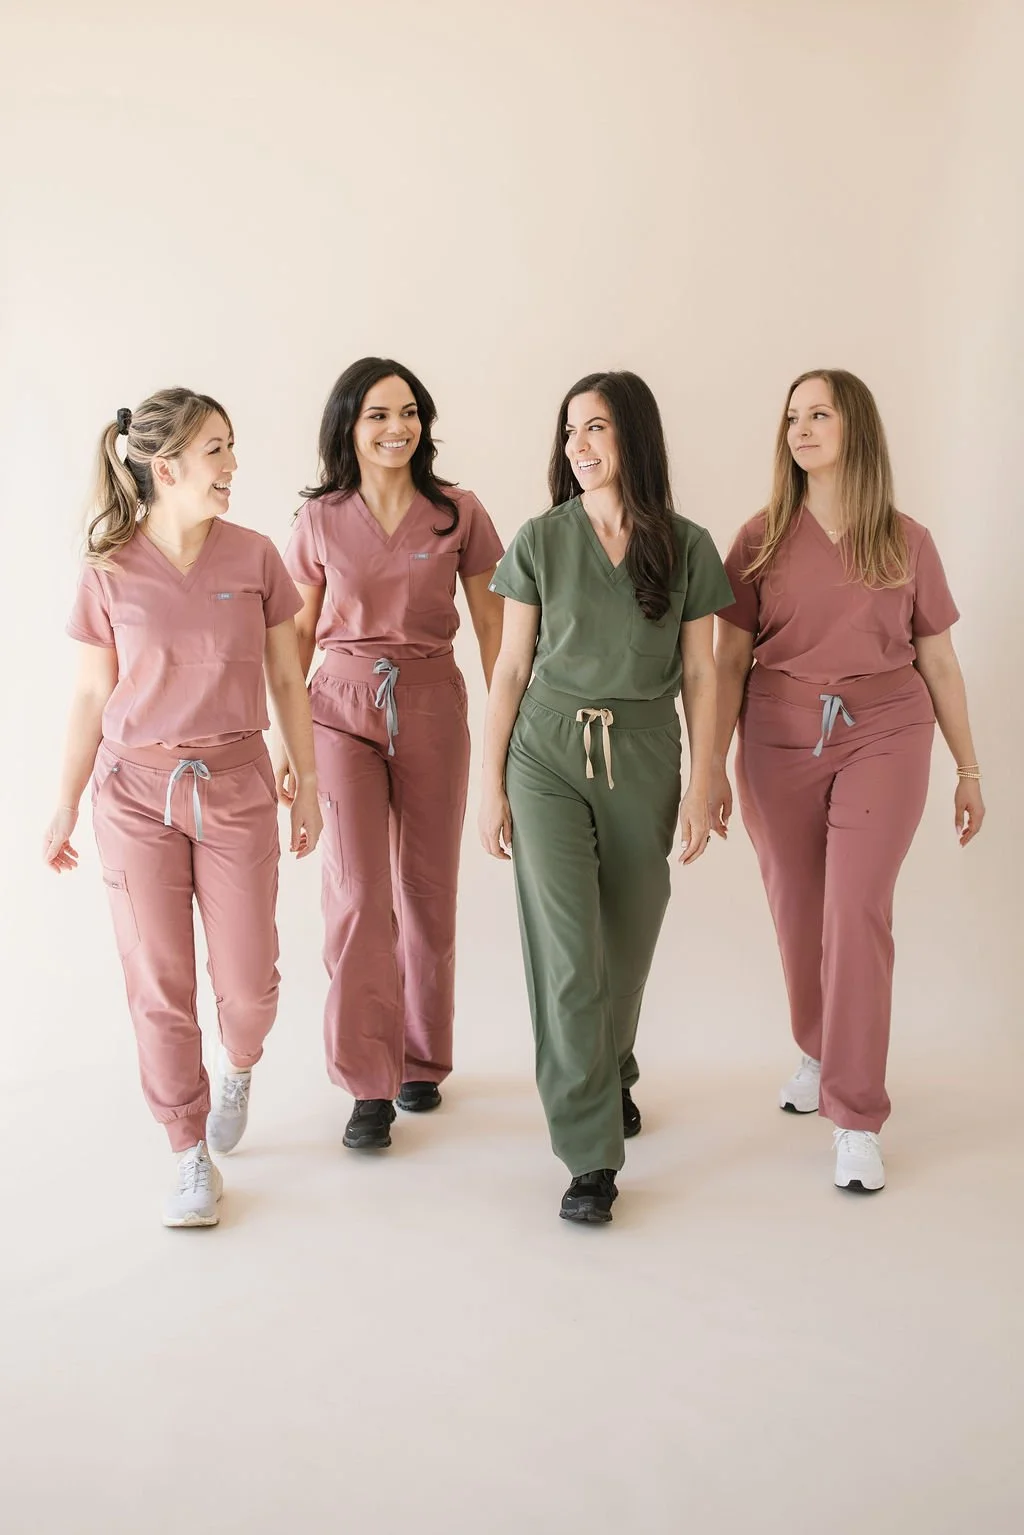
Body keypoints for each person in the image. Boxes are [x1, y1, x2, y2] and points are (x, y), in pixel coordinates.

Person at [43, 388, 321, 1228]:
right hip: (133, 794)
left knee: (251, 983)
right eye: (216, 450)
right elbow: (93, 693)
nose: (232, 464)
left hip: (236, 784)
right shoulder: (110, 569)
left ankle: (239, 1063)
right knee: (158, 984)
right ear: (165, 468)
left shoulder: (256, 557)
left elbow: (284, 678)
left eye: (231, 446)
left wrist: (303, 778)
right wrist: (61, 806)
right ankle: (186, 1149)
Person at [711, 369, 984, 1193]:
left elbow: (936, 656)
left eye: (819, 413)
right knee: (798, 910)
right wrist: (709, 773)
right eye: (792, 415)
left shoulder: (907, 540)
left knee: (855, 907)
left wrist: (969, 767)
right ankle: (819, 1047)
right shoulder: (759, 537)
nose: (800, 427)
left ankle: (857, 1115)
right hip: (777, 735)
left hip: (888, 732)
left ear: (854, 428)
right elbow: (726, 662)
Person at [479, 370, 732, 1224]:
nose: (577, 448)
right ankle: (589, 1154)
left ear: (634, 438)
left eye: (594, 429)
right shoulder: (540, 539)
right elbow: (510, 668)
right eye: (569, 433)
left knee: (624, 951)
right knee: (569, 959)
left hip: (647, 752)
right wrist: (490, 786)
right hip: (546, 752)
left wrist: (706, 777)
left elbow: (701, 671)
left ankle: (610, 1066)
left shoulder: (688, 545)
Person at [280, 358, 504, 1150]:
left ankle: (420, 1060)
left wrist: (511, 735)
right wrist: (291, 745)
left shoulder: (459, 514)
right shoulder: (319, 520)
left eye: (407, 412)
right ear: (349, 425)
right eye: (377, 414)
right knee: (358, 892)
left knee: (428, 891)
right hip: (338, 708)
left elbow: (494, 634)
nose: (396, 427)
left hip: (433, 702)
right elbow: (296, 635)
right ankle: (365, 1082)